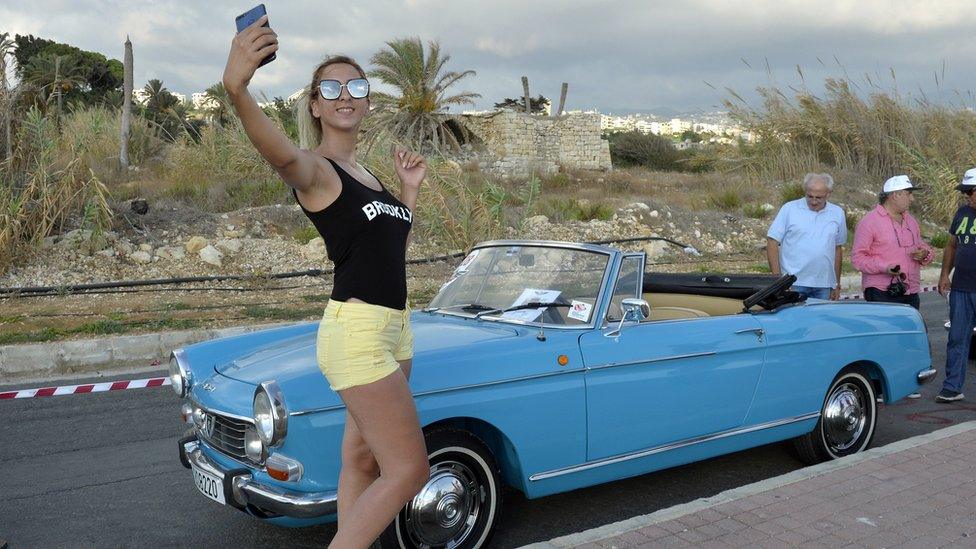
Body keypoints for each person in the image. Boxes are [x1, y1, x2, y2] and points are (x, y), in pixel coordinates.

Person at [223, 18, 429, 547]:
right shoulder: (319, 170)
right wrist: (237, 89)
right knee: (408, 472)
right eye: (331, 87)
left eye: (356, 87)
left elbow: (394, 249)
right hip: (356, 330)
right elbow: (281, 154)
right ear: (315, 105)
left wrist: (408, 191)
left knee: (361, 459)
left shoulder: (368, 176)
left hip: (394, 328)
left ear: (365, 102)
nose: (346, 95)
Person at [851, 175, 934, 310]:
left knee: (909, 331)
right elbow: (858, 259)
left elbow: (922, 246)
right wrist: (885, 267)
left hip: (910, 290)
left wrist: (925, 253)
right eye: (909, 194)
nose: (912, 199)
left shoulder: (911, 221)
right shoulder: (869, 222)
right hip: (881, 291)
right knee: (886, 330)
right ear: (895, 195)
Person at [766, 173, 847, 300]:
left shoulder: (837, 213)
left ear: (828, 194)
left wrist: (836, 283)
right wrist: (778, 281)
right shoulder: (789, 209)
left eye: (819, 198)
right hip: (792, 283)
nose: (813, 201)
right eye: (810, 196)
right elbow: (772, 241)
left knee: (820, 320)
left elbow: (837, 248)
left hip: (823, 284)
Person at [936, 168, 976, 403]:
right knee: (958, 338)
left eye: (971, 192)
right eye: (967, 193)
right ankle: (952, 387)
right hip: (961, 288)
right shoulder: (962, 214)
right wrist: (944, 274)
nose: (969, 197)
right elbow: (952, 246)